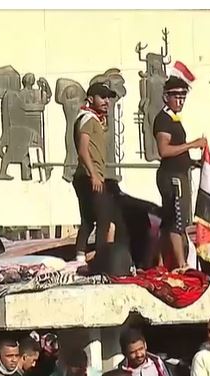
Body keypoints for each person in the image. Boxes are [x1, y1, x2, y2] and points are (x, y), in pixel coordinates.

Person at [154, 62, 207, 270]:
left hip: (179, 173)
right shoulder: (164, 120)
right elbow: (164, 150)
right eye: (176, 96)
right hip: (172, 176)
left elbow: (176, 151)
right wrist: (192, 144)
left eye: (183, 96)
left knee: (171, 221)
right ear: (166, 97)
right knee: (176, 222)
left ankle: (160, 261)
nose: (180, 101)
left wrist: (193, 162)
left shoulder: (174, 119)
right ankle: (182, 263)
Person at [72, 82, 123, 267]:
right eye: (102, 97)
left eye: (108, 98)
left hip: (90, 175)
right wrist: (93, 174)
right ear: (90, 98)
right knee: (104, 218)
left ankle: (79, 256)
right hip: (89, 175)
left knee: (88, 219)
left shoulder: (95, 119)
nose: (106, 101)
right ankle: (101, 258)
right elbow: (83, 149)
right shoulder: (87, 119)